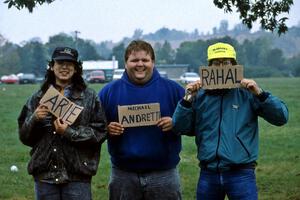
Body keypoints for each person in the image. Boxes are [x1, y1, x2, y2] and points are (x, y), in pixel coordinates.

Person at [172, 42, 289, 200]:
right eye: (215, 63)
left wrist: (260, 94)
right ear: (209, 67)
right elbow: (179, 127)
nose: (221, 67)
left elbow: (281, 117)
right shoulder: (200, 96)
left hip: (241, 173)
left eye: (225, 63)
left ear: (234, 65)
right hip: (208, 173)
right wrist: (187, 99)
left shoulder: (247, 93)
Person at [99, 40, 185, 200]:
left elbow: (192, 124)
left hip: (164, 174)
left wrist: (176, 123)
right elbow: (94, 127)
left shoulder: (174, 90)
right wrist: (107, 129)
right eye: (134, 60)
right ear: (125, 63)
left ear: (153, 62)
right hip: (123, 174)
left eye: (145, 60)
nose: (140, 64)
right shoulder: (108, 92)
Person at [18, 46, 107, 200]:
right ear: (52, 67)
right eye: (60, 63)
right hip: (45, 174)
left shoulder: (90, 97)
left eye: (69, 64)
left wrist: (68, 132)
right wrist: (34, 119)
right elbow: (24, 137)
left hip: (78, 175)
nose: (64, 67)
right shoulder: (38, 98)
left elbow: (100, 133)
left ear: (76, 68)